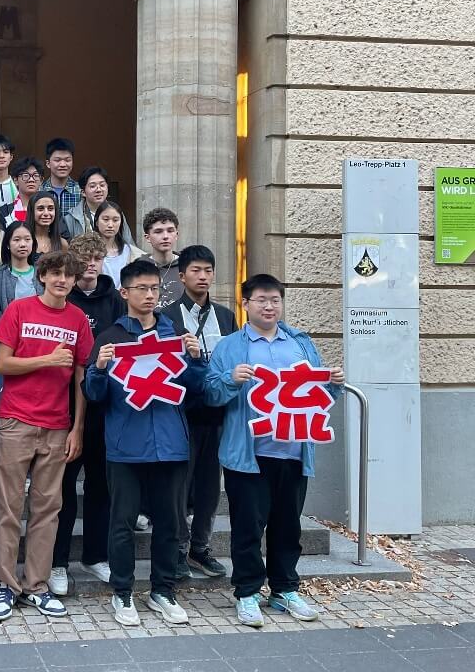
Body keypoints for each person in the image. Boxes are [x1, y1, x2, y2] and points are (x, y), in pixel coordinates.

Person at [204, 274, 344, 628]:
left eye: (275, 300)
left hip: (295, 451)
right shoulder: (230, 347)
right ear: (246, 304)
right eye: (261, 300)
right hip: (247, 454)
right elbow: (209, 394)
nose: (269, 306)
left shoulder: (299, 342)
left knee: (287, 526)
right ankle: (248, 592)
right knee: (248, 527)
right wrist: (228, 379)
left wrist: (334, 385)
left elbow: (319, 397)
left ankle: (284, 589)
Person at [84, 259, 205, 627]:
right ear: (125, 293)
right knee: (121, 523)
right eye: (141, 289)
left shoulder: (175, 336)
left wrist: (197, 361)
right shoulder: (110, 337)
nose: (149, 295)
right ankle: (122, 593)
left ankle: (162, 591)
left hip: (170, 443)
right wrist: (99, 369)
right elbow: (93, 394)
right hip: (125, 445)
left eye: (154, 288)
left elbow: (196, 391)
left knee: (169, 523)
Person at [0, 251, 93, 621]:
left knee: (48, 509)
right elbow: (2, 363)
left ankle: (37, 585)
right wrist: (46, 360)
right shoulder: (19, 309)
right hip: (15, 420)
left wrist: (77, 427)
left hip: (57, 424)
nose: (63, 280)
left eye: (69, 275)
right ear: (43, 276)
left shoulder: (78, 319)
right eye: (56, 274)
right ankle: (5, 584)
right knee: (8, 508)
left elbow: (82, 376)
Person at [49, 233, 124, 597]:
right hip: (66, 404)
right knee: (63, 488)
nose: (91, 264)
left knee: (102, 486)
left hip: (106, 406)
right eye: (84, 258)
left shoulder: (116, 299)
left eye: (97, 257)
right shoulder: (65, 300)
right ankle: (57, 561)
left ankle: (95, 555)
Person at [162, 245, 238, 580]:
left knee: (209, 487)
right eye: (195, 270)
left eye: (208, 270)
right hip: (181, 412)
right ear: (182, 276)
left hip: (217, 412)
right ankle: (178, 549)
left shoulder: (225, 315)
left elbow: (233, 360)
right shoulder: (167, 316)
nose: (203, 276)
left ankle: (200, 549)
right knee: (180, 486)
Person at [0, 221, 40, 458]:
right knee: (3, 396)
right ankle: (1, 442)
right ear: (7, 244)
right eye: (16, 239)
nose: (22, 244)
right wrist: (7, 345)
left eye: (27, 239)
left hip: (38, 348)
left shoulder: (41, 272)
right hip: (5, 347)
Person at [64, 168, 134, 243]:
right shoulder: (71, 217)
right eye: (93, 186)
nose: (98, 190)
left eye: (102, 185)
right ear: (83, 192)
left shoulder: (116, 213)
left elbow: (129, 244)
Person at [138, 207, 182, 308]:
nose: (165, 236)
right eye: (158, 231)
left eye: (170, 230)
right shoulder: (137, 268)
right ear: (147, 237)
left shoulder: (188, 267)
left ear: (176, 234)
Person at [96, 201, 145, 286]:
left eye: (115, 220)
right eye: (106, 219)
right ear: (96, 221)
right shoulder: (87, 252)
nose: (110, 225)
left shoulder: (132, 253)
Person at [0, 156, 45, 230]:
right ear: (15, 180)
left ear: (41, 181)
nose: (31, 180)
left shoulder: (50, 209)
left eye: (35, 176)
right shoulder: (3, 212)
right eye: (25, 176)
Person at [40, 138, 81, 219]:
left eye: (67, 160)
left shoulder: (81, 191)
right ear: (48, 163)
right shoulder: (40, 191)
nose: (63, 164)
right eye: (57, 160)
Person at [27, 191, 67, 259]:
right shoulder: (25, 242)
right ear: (32, 211)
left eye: (50, 209)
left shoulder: (62, 243)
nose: (46, 213)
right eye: (40, 209)